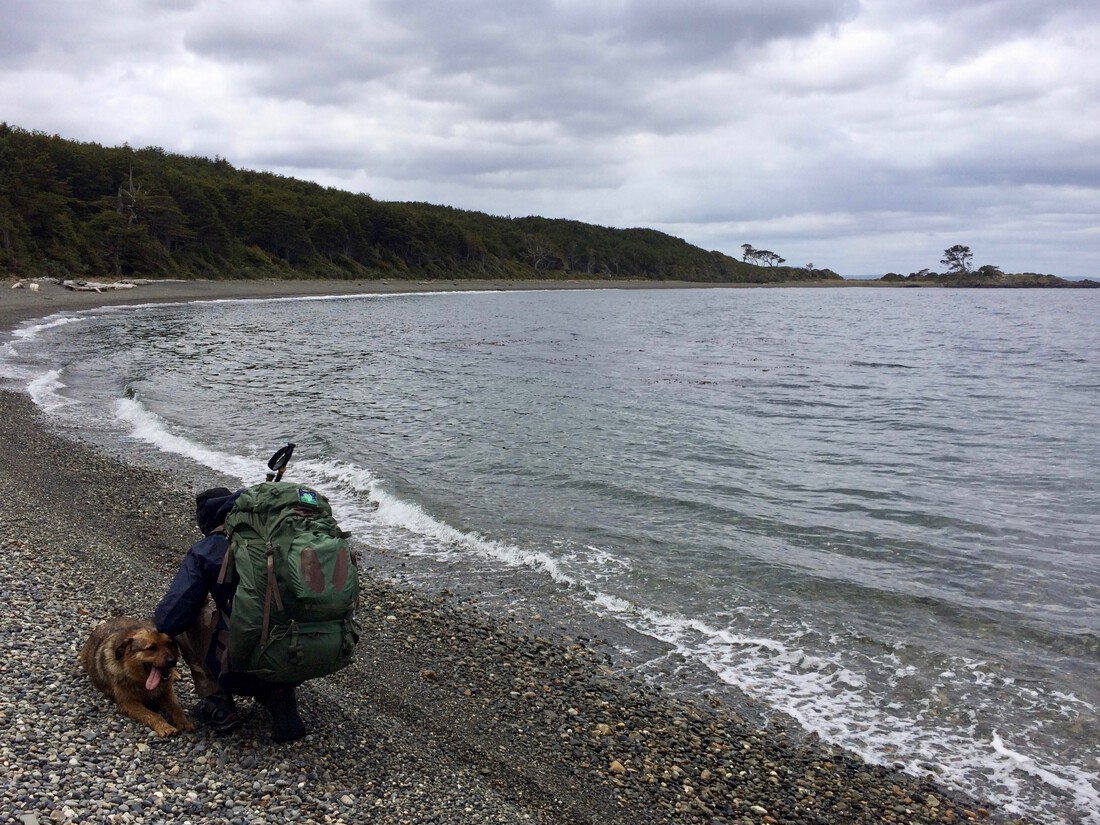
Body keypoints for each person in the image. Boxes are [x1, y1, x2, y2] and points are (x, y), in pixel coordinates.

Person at [154, 487, 307, 742]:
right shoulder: (284, 535)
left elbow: (169, 619)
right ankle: (283, 705)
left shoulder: (209, 547)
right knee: (273, 619)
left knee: (184, 623)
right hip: (302, 655)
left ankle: (219, 708)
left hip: (242, 666)